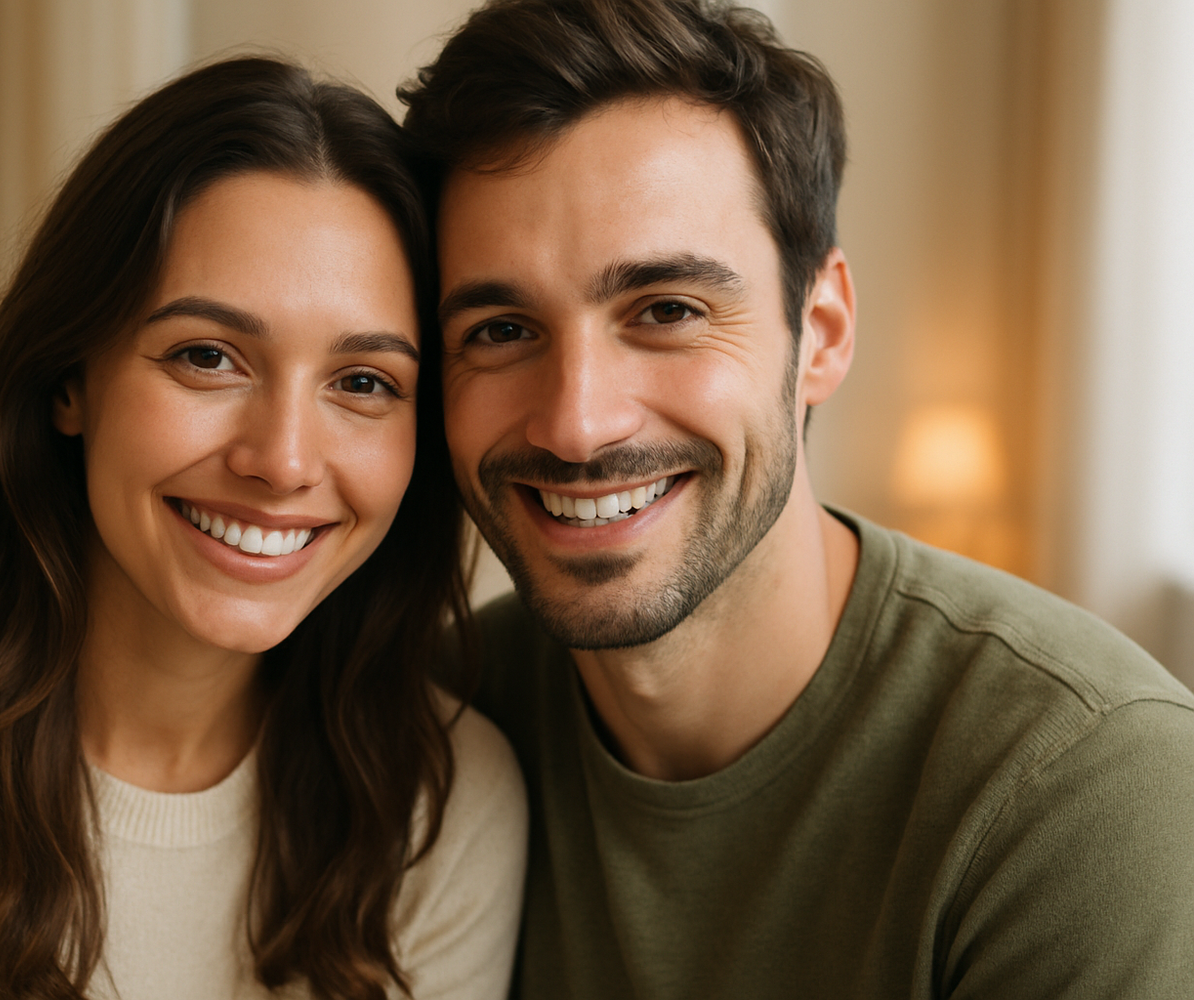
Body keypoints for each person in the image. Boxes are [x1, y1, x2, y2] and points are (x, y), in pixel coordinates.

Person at [398, 1, 1194, 996]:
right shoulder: (426, 727)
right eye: (502, 330)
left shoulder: (1087, 785)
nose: (577, 423)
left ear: (819, 331)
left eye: (667, 310)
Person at [0, 58, 526, 1000]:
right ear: (68, 381)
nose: (284, 459)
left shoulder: (441, 802)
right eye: (207, 357)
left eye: (364, 382)